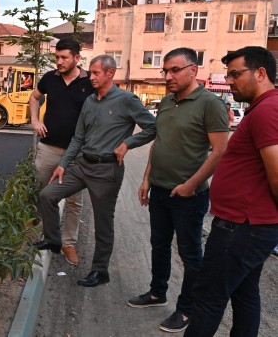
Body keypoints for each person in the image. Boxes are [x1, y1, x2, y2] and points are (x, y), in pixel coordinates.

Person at [127, 48, 229, 333]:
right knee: (158, 245)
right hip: (159, 190)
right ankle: (157, 292)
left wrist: (191, 185)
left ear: (193, 70)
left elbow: (220, 151)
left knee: (190, 253)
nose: (168, 76)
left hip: (188, 195)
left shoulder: (210, 104)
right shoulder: (167, 102)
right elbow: (159, 143)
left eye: (174, 70)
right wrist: (147, 178)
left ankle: (187, 309)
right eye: (165, 71)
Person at [37, 55, 156, 287]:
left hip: (106, 170)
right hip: (82, 165)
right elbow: (78, 137)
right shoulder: (90, 101)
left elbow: (152, 127)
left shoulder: (127, 100)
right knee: (47, 195)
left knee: (103, 223)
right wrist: (63, 164)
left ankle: (100, 271)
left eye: (95, 73)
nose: (90, 77)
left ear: (110, 73)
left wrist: (128, 143)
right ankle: (53, 241)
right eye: (90, 73)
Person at [184, 46, 278, 337]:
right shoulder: (262, 109)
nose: (230, 81)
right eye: (228, 75)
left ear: (261, 73)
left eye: (236, 74)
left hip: (243, 227)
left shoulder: (268, 110)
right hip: (249, 225)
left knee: (207, 299)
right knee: (244, 293)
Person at [29, 38, 93, 266]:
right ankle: (49, 236)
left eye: (64, 57)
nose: (59, 62)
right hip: (48, 148)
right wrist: (35, 120)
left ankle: (68, 243)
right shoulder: (49, 79)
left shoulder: (90, 82)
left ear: (77, 58)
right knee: (44, 193)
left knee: (75, 201)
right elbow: (34, 98)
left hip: (77, 155)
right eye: (57, 57)